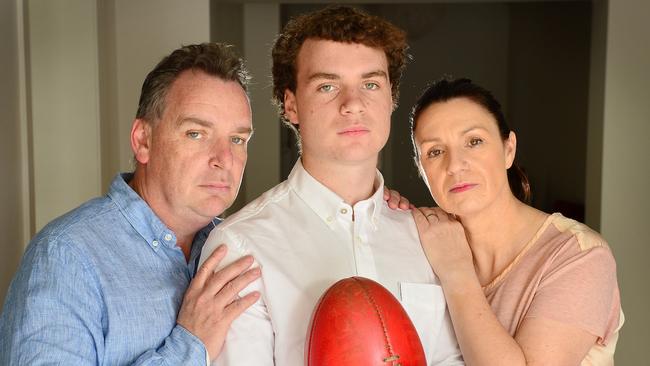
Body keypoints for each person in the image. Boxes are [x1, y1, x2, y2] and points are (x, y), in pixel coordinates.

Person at [200, 6, 464, 365]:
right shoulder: (241, 248)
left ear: (391, 98)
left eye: (370, 83)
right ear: (290, 104)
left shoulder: (431, 239)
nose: (353, 104)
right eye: (327, 86)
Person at [0, 43, 262, 365]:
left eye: (237, 139)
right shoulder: (67, 257)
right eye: (196, 134)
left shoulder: (242, 250)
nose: (224, 159)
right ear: (143, 141)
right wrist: (191, 346)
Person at [409, 77, 623, 365]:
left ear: (508, 150)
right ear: (422, 170)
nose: (455, 164)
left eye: (474, 142)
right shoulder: (423, 243)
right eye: (435, 151)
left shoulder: (580, 255)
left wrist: (457, 272)